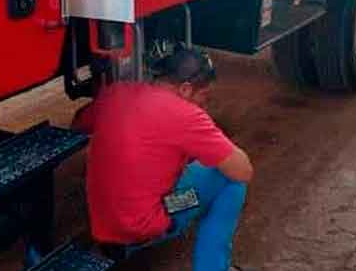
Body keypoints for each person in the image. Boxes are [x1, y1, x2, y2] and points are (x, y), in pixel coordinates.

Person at [73, 48, 255, 271]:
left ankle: (116, 245)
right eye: (204, 96)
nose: (205, 106)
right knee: (231, 180)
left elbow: (78, 123)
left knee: (193, 164)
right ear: (186, 89)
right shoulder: (188, 116)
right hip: (141, 228)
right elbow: (243, 170)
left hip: (102, 226)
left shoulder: (116, 93)